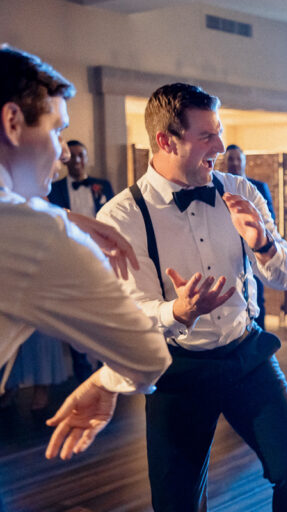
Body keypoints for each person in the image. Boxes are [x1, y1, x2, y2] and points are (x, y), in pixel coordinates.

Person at [97, 82, 287, 511]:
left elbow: (286, 277)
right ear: (165, 140)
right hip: (176, 370)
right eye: (206, 136)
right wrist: (176, 311)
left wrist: (263, 244)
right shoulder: (121, 215)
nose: (220, 145)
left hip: (247, 357)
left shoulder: (243, 191)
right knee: (176, 503)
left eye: (218, 132)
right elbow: (129, 313)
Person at [0, 44, 171, 464]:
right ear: (13, 122)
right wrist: (103, 385)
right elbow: (147, 357)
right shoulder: (38, 234)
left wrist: (63, 218)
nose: (61, 152)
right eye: (57, 129)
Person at [47, 139, 116, 382]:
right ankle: (82, 373)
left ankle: (105, 373)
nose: (76, 160)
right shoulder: (53, 188)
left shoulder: (103, 185)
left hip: (102, 261)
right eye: (73, 155)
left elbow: (113, 220)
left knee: (103, 316)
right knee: (74, 318)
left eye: (81, 155)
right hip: (69, 263)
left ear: (87, 158)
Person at [224, 143, 275, 329]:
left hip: (254, 252)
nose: (235, 163)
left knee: (257, 299)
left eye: (238, 159)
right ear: (224, 162)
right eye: (231, 159)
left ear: (245, 162)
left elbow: (270, 218)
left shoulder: (258, 187)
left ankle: (259, 342)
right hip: (227, 251)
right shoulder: (218, 188)